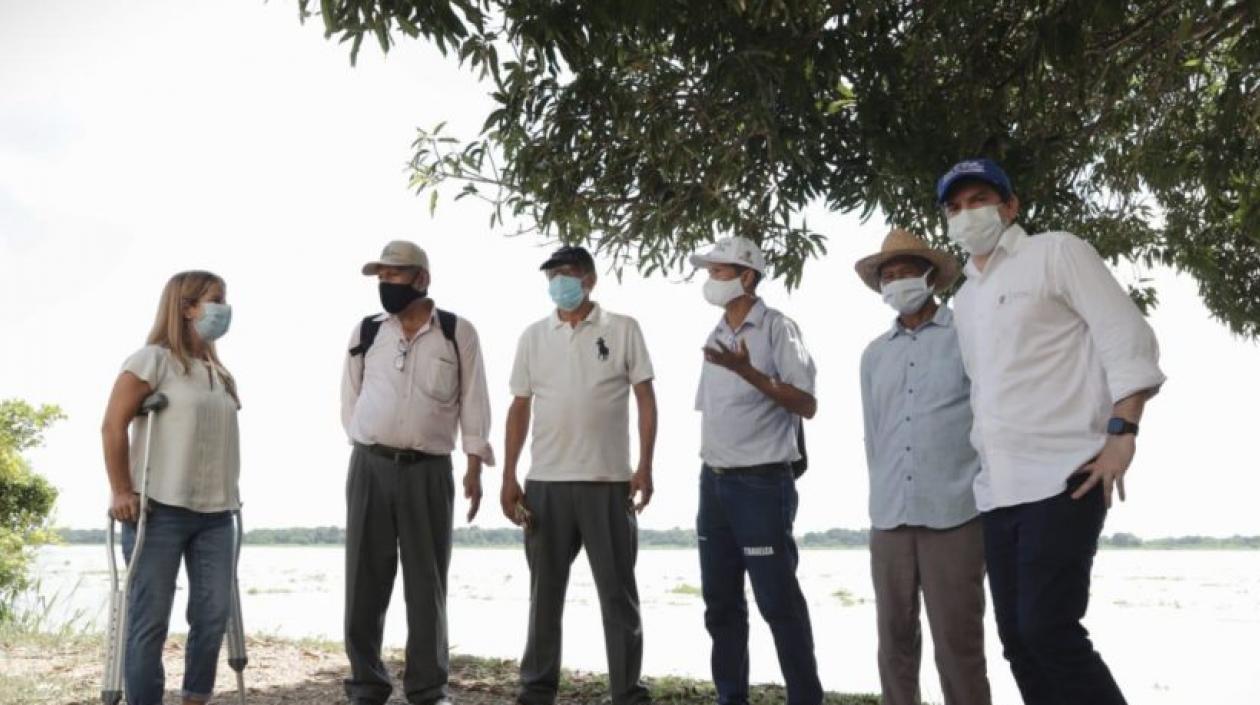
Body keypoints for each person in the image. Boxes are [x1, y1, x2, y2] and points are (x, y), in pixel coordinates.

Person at [939, 158, 1166, 705]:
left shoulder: (1056, 252)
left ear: (1010, 206)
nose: (967, 214)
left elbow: (1128, 336)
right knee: (1017, 640)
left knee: (1050, 629)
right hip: (998, 489)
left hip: (1066, 475)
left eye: (978, 201)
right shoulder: (963, 299)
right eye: (954, 207)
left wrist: (1123, 432)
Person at [500, 245, 657, 705]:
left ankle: (627, 692)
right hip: (545, 483)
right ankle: (536, 689)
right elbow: (519, 406)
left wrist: (644, 466)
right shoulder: (533, 336)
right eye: (551, 276)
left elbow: (646, 399)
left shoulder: (623, 329)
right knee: (543, 596)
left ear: (589, 279)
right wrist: (509, 477)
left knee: (617, 595)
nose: (557, 284)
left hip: (608, 483)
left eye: (565, 274)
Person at [340, 240, 495, 705]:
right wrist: (368, 441)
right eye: (381, 277)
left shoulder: (455, 331)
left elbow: (474, 400)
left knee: (426, 584)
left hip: (429, 470)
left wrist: (473, 466)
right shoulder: (367, 332)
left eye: (395, 276)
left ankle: (428, 689)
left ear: (421, 279)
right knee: (364, 580)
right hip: (370, 465)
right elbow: (350, 398)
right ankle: (367, 685)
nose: (386, 285)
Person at [854, 228, 991, 705]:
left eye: (906, 272)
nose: (896, 282)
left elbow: (987, 418)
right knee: (893, 641)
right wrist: (881, 496)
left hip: (954, 511)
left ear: (930, 276)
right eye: (888, 276)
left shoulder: (966, 337)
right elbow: (875, 435)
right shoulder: (874, 355)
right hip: (889, 514)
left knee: (959, 645)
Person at [690, 236, 823, 705]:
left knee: (778, 603)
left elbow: (806, 403)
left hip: (761, 483)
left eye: (720, 271)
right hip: (715, 483)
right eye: (710, 271)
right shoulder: (716, 334)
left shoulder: (777, 329)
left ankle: (806, 699)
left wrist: (748, 372)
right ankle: (731, 698)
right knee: (721, 605)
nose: (711, 280)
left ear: (747, 275)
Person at [100, 270, 241, 705]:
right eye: (215, 300)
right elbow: (112, 425)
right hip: (159, 509)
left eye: (224, 299)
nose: (224, 309)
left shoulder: (219, 372)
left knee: (213, 614)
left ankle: (195, 697)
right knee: (149, 621)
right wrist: (122, 490)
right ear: (186, 308)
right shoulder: (152, 360)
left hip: (217, 513)